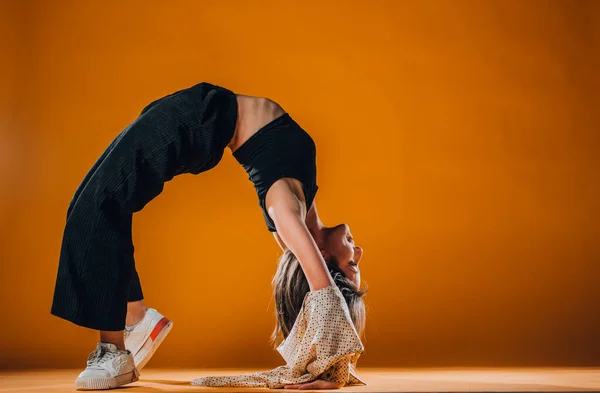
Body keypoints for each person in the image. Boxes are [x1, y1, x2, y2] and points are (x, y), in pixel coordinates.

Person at [50, 82, 365, 390]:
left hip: (201, 120)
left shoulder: (286, 209)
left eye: (352, 266)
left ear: (323, 259)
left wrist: (329, 357)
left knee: (101, 203)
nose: (360, 253)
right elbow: (323, 287)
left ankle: (115, 350)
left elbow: (324, 294)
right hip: (203, 111)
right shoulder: (305, 208)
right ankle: (135, 318)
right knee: (88, 205)